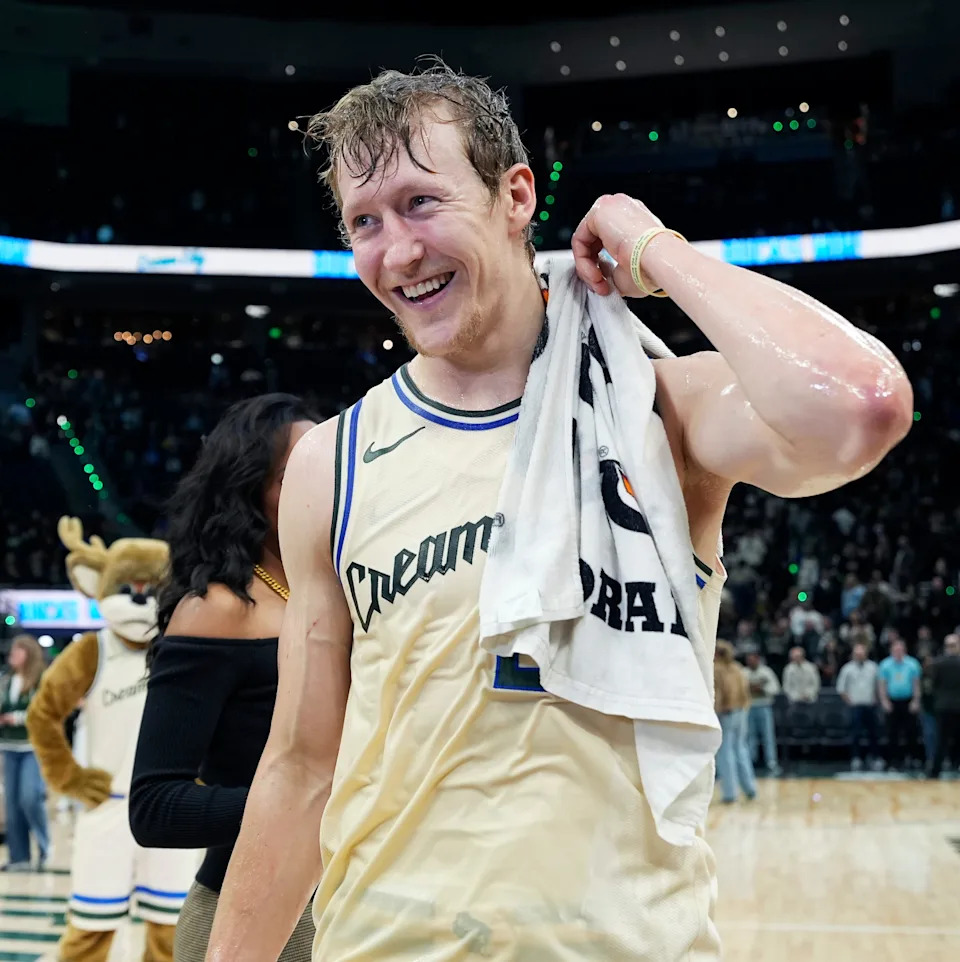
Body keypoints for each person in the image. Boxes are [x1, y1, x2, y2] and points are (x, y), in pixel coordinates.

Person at [206, 61, 912, 961]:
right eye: (364, 223)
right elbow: (302, 768)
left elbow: (861, 406)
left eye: (422, 202)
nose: (398, 251)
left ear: (516, 194)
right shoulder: (330, 465)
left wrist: (650, 244)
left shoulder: (658, 412)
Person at [128, 395, 317, 962]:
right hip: (252, 913)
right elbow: (155, 805)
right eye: (296, 476)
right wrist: (307, 805)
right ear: (249, 490)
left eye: (327, 470)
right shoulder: (217, 609)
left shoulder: (345, 590)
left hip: (354, 907)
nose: (321, 488)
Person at [0, 634, 50, 871]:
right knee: (11, 803)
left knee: (29, 797)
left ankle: (43, 846)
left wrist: (17, 718)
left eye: (18, 652)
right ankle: (19, 857)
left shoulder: (41, 680)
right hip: (8, 747)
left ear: (28, 654)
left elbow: (44, 712)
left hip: (32, 746)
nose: (13, 656)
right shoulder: (6, 680)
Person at [714, 641, 756, 803]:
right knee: (741, 749)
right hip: (741, 711)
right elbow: (745, 691)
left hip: (725, 712)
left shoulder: (717, 669)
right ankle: (750, 787)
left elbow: (719, 694)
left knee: (725, 753)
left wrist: (716, 711)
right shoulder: (737, 668)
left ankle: (730, 793)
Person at [877, 638, 922, 771]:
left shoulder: (912, 664)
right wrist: (884, 701)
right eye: (895, 650)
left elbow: (916, 684)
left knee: (911, 732)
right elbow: (882, 685)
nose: (898, 652)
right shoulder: (885, 664)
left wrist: (916, 700)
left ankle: (913, 759)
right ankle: (893, 761)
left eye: (900, 649)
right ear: (891, 650)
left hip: (908, 701)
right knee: (892, 733)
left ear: (904, 650)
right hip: (892, 701)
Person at [836, 642, 881, 771]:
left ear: (866, 654)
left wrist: (877, 699)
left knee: (873, 733)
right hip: (855, 706)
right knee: (855, 734)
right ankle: (856, 758)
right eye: (857, 653)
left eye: (862, 653)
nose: (860, 655)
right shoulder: (847, 669)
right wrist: (849, 701)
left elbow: (879, 685)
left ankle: (875, 758)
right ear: (853, 654)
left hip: (870, 705)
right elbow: (841, 688)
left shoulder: (873, 667)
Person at [742, 648, 781, 775]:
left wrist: (762, 688)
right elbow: (739, 690)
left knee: (768, 736)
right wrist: (750, 687)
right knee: (750, 736)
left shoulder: (766, 672)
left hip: (764, 706)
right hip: (749, 707)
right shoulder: (743, 672)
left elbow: (775, 689)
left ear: (758, 659)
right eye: (748, 659)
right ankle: (751, 761)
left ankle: (771, 762)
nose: (750, 661)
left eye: (752, 659)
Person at [928, 633, 960, 778]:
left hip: (942, 706)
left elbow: (933, 685)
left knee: (941, 740)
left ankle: (936, 770)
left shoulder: (937, 663)